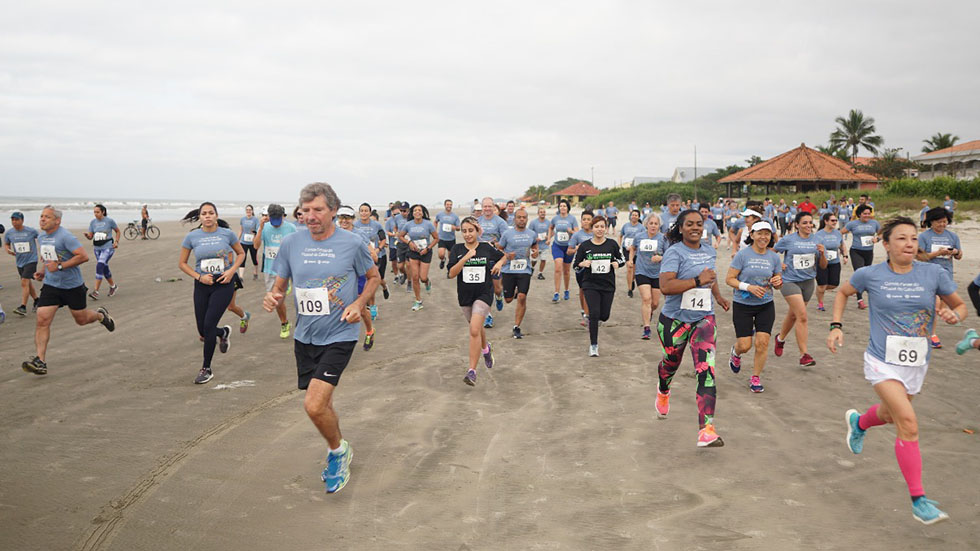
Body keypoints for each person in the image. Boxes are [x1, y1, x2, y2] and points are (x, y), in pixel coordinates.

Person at [828, 216, 965, 524]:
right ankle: (918, 500)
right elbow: (843, 292)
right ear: (886, 244)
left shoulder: (933, 273)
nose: (909, 244)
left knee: (890, 415)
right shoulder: (869, 274)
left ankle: (859, 422)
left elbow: (960, 306)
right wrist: (836, 325)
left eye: (913, 238)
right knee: (908, 423)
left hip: (916, 362)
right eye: (901, 238)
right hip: (881, 360)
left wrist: (954, 315)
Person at [263, 182, 380, 494]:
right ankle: (338, 445)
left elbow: (373, 277)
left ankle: (338, 452)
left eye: (318, 209)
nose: (310, 216)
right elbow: (279, 285)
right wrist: (273, 297)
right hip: (305, 335)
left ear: (333, 211)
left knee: (314, 405)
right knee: (322, 402)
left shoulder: (352, 243)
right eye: (306, 210)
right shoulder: (291, 243)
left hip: (340, 332)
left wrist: (359, 304)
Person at [655, 210, 731, 447]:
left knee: (706, 371)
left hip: (704, 319)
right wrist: (697, 281)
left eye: (699, 224)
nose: (695, 228)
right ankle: (663, 389)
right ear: (680, 228)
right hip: (675, 320)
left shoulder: (709, 250)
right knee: (671, 363)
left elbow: (711, 278)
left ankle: (706, 430)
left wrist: (718, 296)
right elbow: (665, 286)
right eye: (689, 224)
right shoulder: (674, 252)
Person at [21, 206, 116, 376]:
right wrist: (43, 271)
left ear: (57, 220)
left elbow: (83, 256)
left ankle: (100, 315)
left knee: (81, 319)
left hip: (72, 286)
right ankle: (40, 361)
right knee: (42, 319)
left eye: (47, 217)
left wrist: (59, 266)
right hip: (51, 285)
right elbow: (48, 258)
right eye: (41, 216)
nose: (42, 219)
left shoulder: (66, 237)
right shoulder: (42, 236)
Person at [178, 202, 246, 384]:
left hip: (223, 283)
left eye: (210, 213)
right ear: (200, 217)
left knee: (208, 325)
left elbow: (241, 254)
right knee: (202, 329)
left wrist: (231, 272)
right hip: (202, 284)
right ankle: (223, 332)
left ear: (216, 215)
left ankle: (206, 368)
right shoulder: (192, 236)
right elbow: (182, 263)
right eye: (204, 213)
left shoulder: (227, 234)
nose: (207, 216)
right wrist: (199, 277)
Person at [726, 221, 782, 392]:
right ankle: (736, 353)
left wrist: (778, 282)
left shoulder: (774, 257)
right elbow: (729, 279)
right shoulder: (742, 255)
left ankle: (755, 377)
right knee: (745, 345)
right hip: (743, 304)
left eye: (767, 234)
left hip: (765, 304)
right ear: (752, 235)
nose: (763, 237)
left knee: (762, 343)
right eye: (759, 233)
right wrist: (748, 287)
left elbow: (778, 282)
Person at [448, 217, 505, 385]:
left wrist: (499, 264)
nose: (467, 234)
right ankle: (486, 349)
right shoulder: (457, 249)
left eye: (471, 230)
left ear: (478, 231)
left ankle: (471, 371)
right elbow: (451, 273)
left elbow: (503, 257)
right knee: (477, 328)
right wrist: (465, 258)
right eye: (464, 231)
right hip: (465, 296)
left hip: (484, 294)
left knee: (474, 329)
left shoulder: (486, 247)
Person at [772, 211, 826, 367]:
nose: (808, 225)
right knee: (802, 316)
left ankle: (780, 339)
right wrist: (778, 264)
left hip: (808, 282)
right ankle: (804, 355)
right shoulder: (788, 240)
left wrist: (823, 254)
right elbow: (771, 253)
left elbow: (823, 266)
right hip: (789, 281)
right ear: (797, 225)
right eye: (804, 223)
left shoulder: (817, 240)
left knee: (794, 315)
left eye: (810, 222)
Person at [572, 215, 625, 356]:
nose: (599, 229)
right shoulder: (585, 246)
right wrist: (582, 263)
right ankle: (593, 345)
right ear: (592, 229)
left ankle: (596, 321)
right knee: (594, 313)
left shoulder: (612, 244)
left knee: (604, 315)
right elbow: (575, 265)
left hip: (608, 284)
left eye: (602, 226)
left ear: (606, 228)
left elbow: (622, 259)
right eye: (596, 227)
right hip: (590, 284)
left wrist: (617, 263)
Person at [916, 207, 962, 349]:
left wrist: (955, 252)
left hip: (946, 275)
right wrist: (937, 253)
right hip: (928, 275)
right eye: (939, 222)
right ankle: (931, 335)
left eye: (945, 221)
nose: (942, 224)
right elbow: (919, 256)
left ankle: (926, 332)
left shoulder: (953, 236)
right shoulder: (924, 237)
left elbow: (960, 256)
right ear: (931, 222)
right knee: (933, 306)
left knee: (938, 309)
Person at [338, 205, 377, 350]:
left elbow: (373, 255)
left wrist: (367, 257)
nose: (344, 221)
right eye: (341, 217)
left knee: (360, 307)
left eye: (347, 218)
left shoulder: (359, 234)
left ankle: (369, 331)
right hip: (340, 275)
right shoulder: (333, 233)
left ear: (353, 219)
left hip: (358, 275)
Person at [255, 204, 298, 339]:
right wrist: (260, 228)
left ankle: (287, 284)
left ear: (283, 216)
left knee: (291, 297)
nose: (275, 222)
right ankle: (284, 322)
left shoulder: (291, 228)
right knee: (277, 302)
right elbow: (256, 245)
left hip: (287, 269)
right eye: (273, 219)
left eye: (278, 219)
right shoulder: (265, 227)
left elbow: (297, 247)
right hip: (270, 269)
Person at [497, 208, 538, 339]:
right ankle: (511, 293)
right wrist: (507, 255)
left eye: (524, 217)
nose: (521, 220)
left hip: (525, 269)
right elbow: (499, 249)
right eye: (519, 217)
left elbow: (534, 245)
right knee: (508, 299)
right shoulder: (507, 234)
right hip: (508, 270)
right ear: (514, 219)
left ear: (527, 219)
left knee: (522, 297)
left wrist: (535, 252)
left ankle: (516, 327)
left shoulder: (531, 234)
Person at [628, 214, 665, 340]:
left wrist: (660, 257)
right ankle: (646, 328)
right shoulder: (639, 236)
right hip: (642, 271)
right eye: (651, 223)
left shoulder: (663, 238)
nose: (653, 226)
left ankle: (650, 312)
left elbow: (669, 254)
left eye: (656, 224)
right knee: (646, 299)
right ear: (646, 224)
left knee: (655, 303)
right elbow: (632, 248)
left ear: (659, 226)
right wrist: (630, 260)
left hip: (657, 274)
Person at [399, 204, 439, 312]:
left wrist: (428, 248)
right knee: (415, 277)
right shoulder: (408, 224)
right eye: (415, 210)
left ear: (422, 212)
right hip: (413, 252)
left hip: (426, 252)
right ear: (412, 213)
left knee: (422, 277)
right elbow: (400, 236)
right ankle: (418, 300)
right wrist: (409, 243)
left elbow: (436, 238)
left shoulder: (428, 224)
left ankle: (427, 282)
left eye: (419, 210)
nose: (417, 212)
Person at [354, 203, 389, 321]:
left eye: (366, 211)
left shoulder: (376, 225)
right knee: (368, 282)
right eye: (362, 211)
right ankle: (372, 306)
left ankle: (384, 287)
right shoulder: (355, 226)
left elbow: (383, 239)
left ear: (370, 212)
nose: (364, 213)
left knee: (378, 280)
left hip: (377, 256)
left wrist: (378, 249)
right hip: (361, 259)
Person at [841, 204, 881, 310]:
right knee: (859, 273)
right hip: (856, 251)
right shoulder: (853, 224)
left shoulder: (874, 223)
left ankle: (855, 287)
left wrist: (877, 239)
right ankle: (860, 300)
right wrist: (841, 246)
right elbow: (840, 232)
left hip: (869, 252)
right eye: (865, 214)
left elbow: (882, 234)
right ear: (859, 214)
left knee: (866, 275)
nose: (867, 215)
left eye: (869, 213)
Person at [3, 211, 39, 315]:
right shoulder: (9, 233)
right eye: (13, 220)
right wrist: (8, 250)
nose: (14, 222)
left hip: (31, 260)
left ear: (22, 220)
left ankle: (23, 307)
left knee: (24, 282)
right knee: (27, 283)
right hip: (19, 261)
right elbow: (6, 244)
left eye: (17, 219)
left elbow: (42, 238)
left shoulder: (31, 231)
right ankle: (37, 300)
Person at [84, 204, 120, 300]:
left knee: (100, 265)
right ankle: (113, 286)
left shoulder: (109, 221)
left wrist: (116, 242)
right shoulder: (93, 222)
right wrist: (88, 236)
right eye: (94, 212)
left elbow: (118, 231)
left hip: (108, 247)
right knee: (104, 268)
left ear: (103, 212)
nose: (95, 214)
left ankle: (96, 291)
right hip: (97, 248)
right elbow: (91, 236)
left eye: (97, 212)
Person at [814, 211, 847, 312]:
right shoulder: (819, 234)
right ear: (826, 221)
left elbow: (842, 245)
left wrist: (845, 255)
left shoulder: (838, 233)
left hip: (834, 262)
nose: (835, 222)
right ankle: (820, 303)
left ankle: (820, 289)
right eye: (832, 220)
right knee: (822, 285)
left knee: (834, 284)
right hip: (821, 262)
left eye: (836, 220)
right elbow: (815, 248)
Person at [548, 199, 578, 303]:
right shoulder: (555, 218)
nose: (562, 208)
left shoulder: (572, 219)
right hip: (557, 246)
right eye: (561, 206)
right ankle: (556, 293)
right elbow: (550, 228)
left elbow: (577, 233)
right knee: (558, 268)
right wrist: (549, 238)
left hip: (569, 247)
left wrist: (571, 231)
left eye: (564, 206)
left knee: (566, 270)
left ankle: (566, 290)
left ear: (568, 208)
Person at [567, 210, 594, 327]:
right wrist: (576, 249)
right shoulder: (577, 235)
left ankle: (588, 315)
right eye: (584, 219)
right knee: (583, 289)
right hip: (581, 267)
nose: (586, 222)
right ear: (581, 221)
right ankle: (585, 312)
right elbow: (569, 251)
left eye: (589, 219)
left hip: (594, 267)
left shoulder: (596, 233)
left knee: (591, 290)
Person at [619, 209, 644, 297]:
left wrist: (636, 246)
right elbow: (620, 235)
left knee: (634, 270)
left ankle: (632, 280)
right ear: (630, 216)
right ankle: (630, 289)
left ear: (639, 217)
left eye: (636, 215)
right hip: (626, 249)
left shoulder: (641, 227)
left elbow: (644, 238)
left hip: (636, 250)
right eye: (633, 215)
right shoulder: (625, 225)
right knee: (629, 268)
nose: (634, 216)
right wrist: (619, 245)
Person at [434, 199, 460, 270]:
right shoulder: (440, 214)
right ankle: (443, 260)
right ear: (444, 205)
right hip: (442, 238)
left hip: (451, 239)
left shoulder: (455, 216)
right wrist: (434, 230)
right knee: (441, 254)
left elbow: (458, 228)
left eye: (450, 205)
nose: (449, 206)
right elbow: (435, 221)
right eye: (447, 204)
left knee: (451, 257)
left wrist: (454, 228)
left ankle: (449, 270)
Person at [528, 206, 551, 280]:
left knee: (543, 259)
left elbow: (551, 232)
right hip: (536, 245)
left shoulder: (548, 222)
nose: (542, 213)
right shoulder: (533, 222)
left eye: (544, 212)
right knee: (534, 260)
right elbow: (529, 232)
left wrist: (548, 237)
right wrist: (535, 238)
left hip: (544, 245)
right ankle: (532, 268)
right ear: (538, 213)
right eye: (541, 212)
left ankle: (540, 273)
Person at [384, 201, 404, 285]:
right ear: (391, 213)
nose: (396, 216)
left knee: (402, 262)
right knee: (394, 262)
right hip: (393, 244)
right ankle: (396, 275)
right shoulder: (389, 221)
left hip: (403, 244)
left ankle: (403, 274)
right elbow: (386, 231)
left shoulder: (403, 219)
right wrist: (393, 234)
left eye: (397, 214)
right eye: (394, 214)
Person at [239, 205, 260, 280]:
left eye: (250, 210)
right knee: (242, 258)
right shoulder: (242, 219)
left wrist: (254, 233)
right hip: (243, 241)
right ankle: (241, 276)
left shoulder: (255, 219)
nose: (248, 211)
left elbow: (258, 230)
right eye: (247, 210)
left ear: (252, 211)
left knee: (254, 258)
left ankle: (255, 273)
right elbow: (241, 230)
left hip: (252, 242)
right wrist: (238, 240)